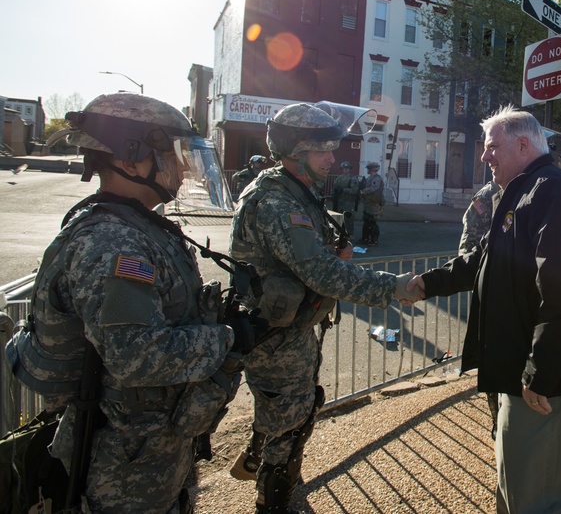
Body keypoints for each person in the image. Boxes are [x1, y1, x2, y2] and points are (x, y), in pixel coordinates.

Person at [6, 93, 245, 514]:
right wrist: (226, 339)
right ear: (131, 160)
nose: (185, 167)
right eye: (173, 155)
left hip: (150, 448)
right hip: (121, 465)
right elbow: (137, 357)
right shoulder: (113, 242)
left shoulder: (142, 227)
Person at [408, 105, 561, 514]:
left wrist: (540, 374)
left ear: (522, 145)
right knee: (517, 481)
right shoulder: (521, 192)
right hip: (526, 368)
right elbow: (484, 258)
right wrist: (427, 283)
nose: (484, 157)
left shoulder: (560, 192)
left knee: (543, 492)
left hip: (552, 378)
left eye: (491, 147)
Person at [228, 102, 420, 514]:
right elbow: (325, 274)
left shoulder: (296, 192)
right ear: (295, 151)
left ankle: (253, 460)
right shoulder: (276, 202)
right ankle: (272, 500)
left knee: (292, 410)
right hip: (277, 340)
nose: (333, 158)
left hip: (292, 331)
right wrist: (397, 286)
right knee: (291, 426)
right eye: (323, 150)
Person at [457, 180, 501, 437]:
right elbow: (468, 244)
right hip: (493, 288)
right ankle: (499, 425)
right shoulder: (487, 195)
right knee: (494, 359)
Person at [330, 160, 360, 238]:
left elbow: (355, 190)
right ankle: (337, 234)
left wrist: (343, 190)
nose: (345, 169)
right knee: (337, 217)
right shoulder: (339, 178)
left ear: (349, 169)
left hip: (348, 203)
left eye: (347, 168)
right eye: (344, 168)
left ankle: (349, 235)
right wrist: (332, 195)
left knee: (348, 219)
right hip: (339, 202)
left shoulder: (353, 178)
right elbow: (334, 188)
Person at [357, 161, 384, 246]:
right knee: (366, 221)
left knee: (372, 222)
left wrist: (362, 191)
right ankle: (365, 238)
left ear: (372, 169)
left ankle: (374, 240)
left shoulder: (376, 179)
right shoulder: (369, 178)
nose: (368, 170)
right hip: (368, 203)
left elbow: (373, 188)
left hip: (374, 204)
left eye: (369, 168)